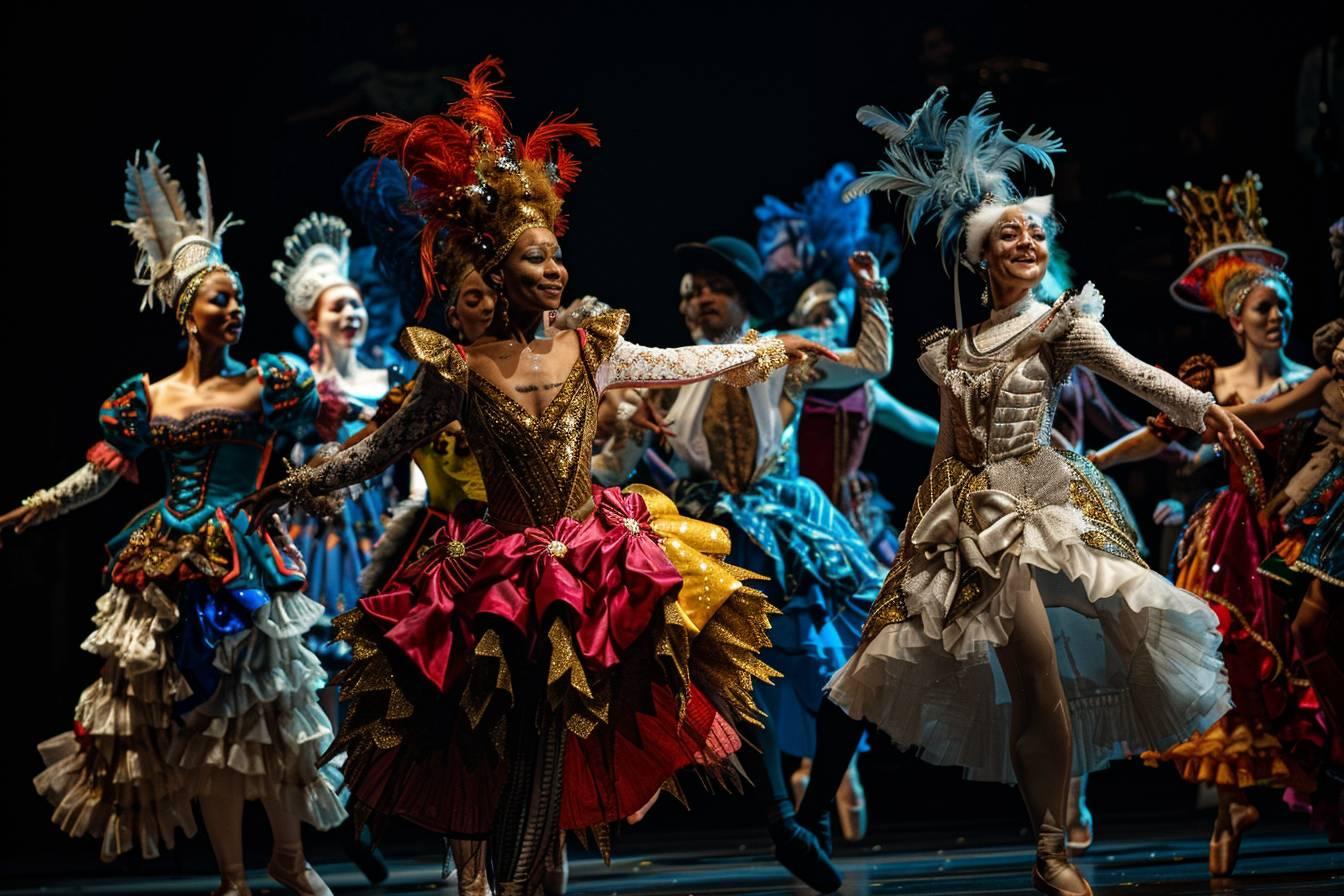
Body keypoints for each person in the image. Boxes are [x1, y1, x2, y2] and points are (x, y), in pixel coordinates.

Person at [237, 58, 835, 896]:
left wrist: (774, 349)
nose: (553, 272)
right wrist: (294, 487)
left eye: (557, 258)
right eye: (533, 261)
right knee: (519, 745)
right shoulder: (458, 369)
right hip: (505, 579)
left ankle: (528, 885)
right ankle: (522, 882)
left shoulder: (592, 347)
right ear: (496, 271)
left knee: (555, 740)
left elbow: (684, 360)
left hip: (589, 563)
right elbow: (377, 447)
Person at [787, 88, 1246, 896]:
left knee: (1039, 672)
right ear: (980, 257)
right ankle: (832, 815)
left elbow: (1135, 373)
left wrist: (1205, 408)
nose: (1029, 239)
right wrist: (919, 543)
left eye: (1035, 229)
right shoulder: (953, 347)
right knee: (890, 663)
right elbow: (946, 449)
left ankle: (1051, 848)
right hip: (964, 519)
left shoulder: (1062, 322)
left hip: (1037, 508)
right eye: (1010, 233)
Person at [4, 148, 344, 896]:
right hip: (167, 567)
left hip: (246, 564)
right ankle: (233, 876)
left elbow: (319, 455)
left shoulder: (273, 382)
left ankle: (287, 854)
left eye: (239, 298)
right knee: (203, 728)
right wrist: (45, 503)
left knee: (273, 718)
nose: (234, 309)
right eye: (220, 299)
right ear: (186, 309)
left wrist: (319, 491)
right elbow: (104, 470)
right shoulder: (146, 398)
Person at [1090, 174, 1325, 874]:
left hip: (1297, 532)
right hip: (1228, 538)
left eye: (1281, 305)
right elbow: (1161, 433)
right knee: (1231, 669)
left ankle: (1292, 788)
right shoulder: (1211, 382)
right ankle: (1231, 804)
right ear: (1235, 319)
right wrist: (1097, 456)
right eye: (1262, 309)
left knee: (1299, 665)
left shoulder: (1311, 378)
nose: (1275, 317)